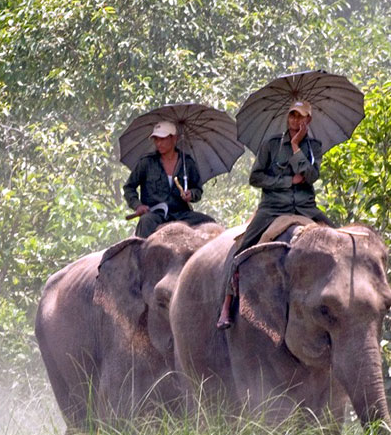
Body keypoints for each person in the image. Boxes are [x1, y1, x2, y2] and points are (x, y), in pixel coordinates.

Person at [215, 100, 335, 329]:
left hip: (305, 207)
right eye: (292, 115)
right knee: (241, 250)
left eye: (301, 116)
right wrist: (286, 181)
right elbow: (256, 178)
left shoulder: (314, 148)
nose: (295, 120)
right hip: (272, 208)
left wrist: (297, 147)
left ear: (308, 120)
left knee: (339, 243)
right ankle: (227, 303)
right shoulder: (270, 145)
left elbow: (311, 176)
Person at [122, 121, 216, 238]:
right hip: (155, 214)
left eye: (162, 139)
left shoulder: (187, 163)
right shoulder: (146, 163)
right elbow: (129, 187)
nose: (158, 143)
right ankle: (142, 254)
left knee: (209, 223)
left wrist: (191, 194)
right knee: (145, 222)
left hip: (181, 213)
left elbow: (197, 189)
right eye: (156, 139)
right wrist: (138, 205)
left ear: (174, 138)